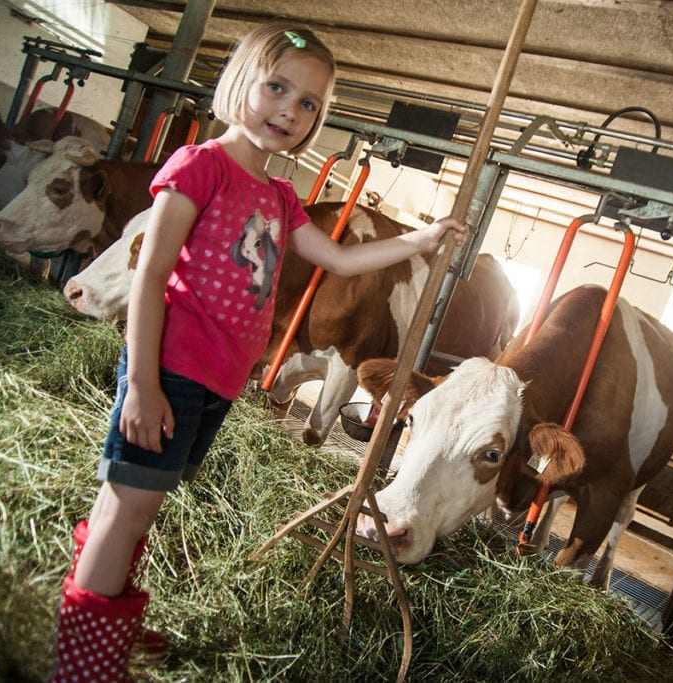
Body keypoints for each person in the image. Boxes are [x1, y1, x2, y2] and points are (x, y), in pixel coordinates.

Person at [51, 22, 465, 682]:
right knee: (123, 508)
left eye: (308, 104)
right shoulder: (200, 167)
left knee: (138, 509)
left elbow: (339, 256)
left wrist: (418, 242)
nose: (290, 111)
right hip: (170, 374)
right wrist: (143, 386)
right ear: (241, 84)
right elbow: (152, 276)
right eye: (277, 88)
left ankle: (110, 629)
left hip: (215, 383)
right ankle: (84, 665)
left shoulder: (277, 196)